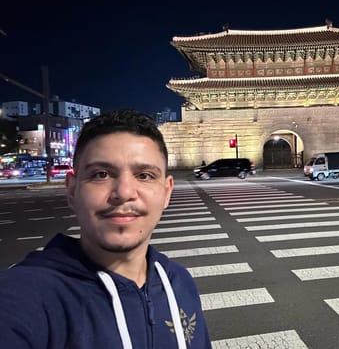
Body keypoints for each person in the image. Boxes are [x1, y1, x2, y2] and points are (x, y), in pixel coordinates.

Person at [0, 109, 212, 348]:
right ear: (72, 190)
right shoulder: (25, 297)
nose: (124, 193)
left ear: (166, 192)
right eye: (101, 174)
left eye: (144, 175)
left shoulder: (179, 282)